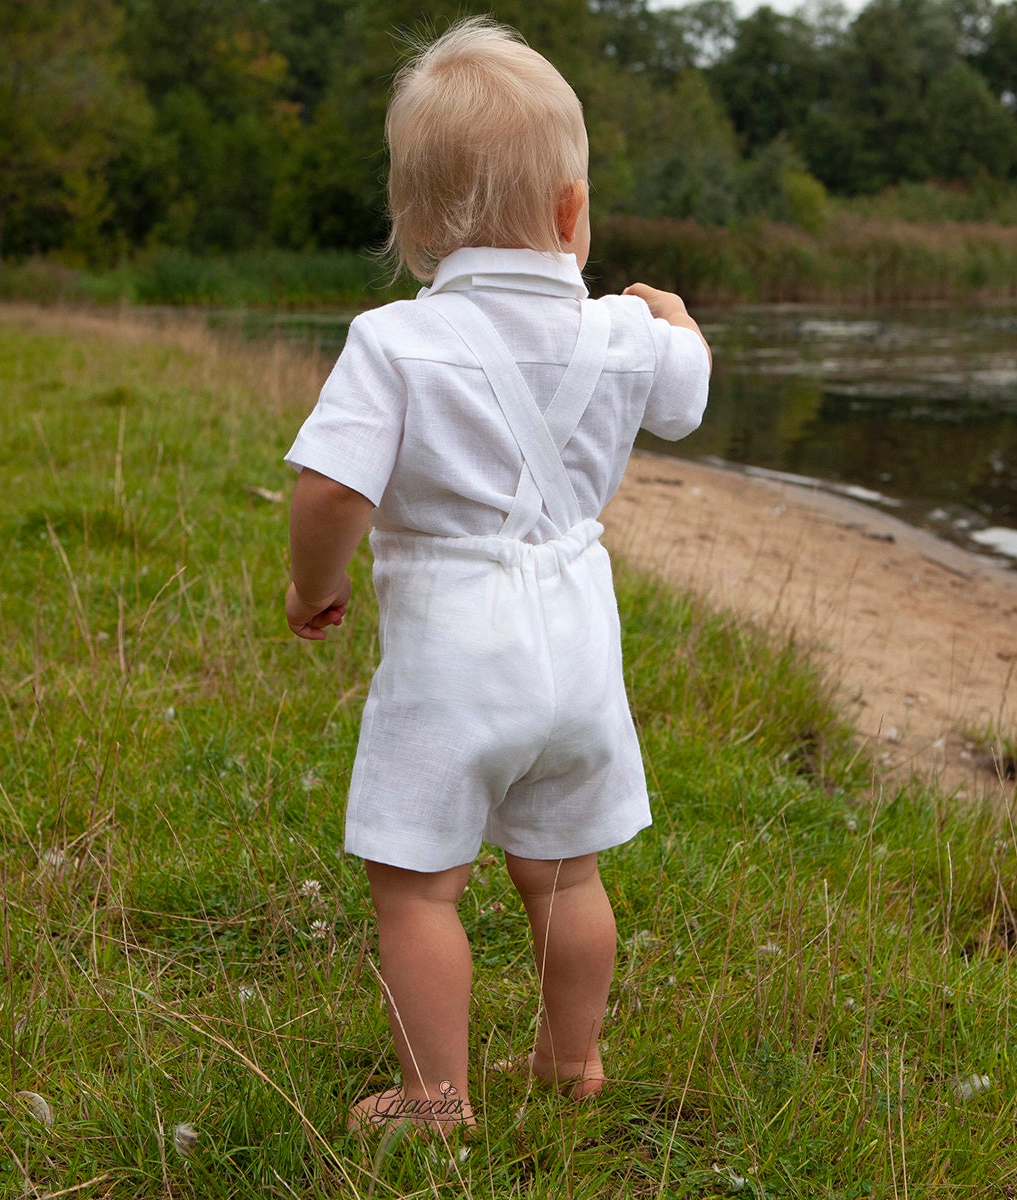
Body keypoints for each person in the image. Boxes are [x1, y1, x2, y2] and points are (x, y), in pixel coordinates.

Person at [284, 16, 711, 1137]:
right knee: (567, 873)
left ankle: (435, 1096)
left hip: (453, 653)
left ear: (416, 229)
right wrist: (669, 315)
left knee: (420, 885)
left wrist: (311, 588)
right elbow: (689, 394)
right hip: (577, 646)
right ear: (573, 215)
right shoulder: (622, 334)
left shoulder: (393, 342)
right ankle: (574, 1063)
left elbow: (331, 490)